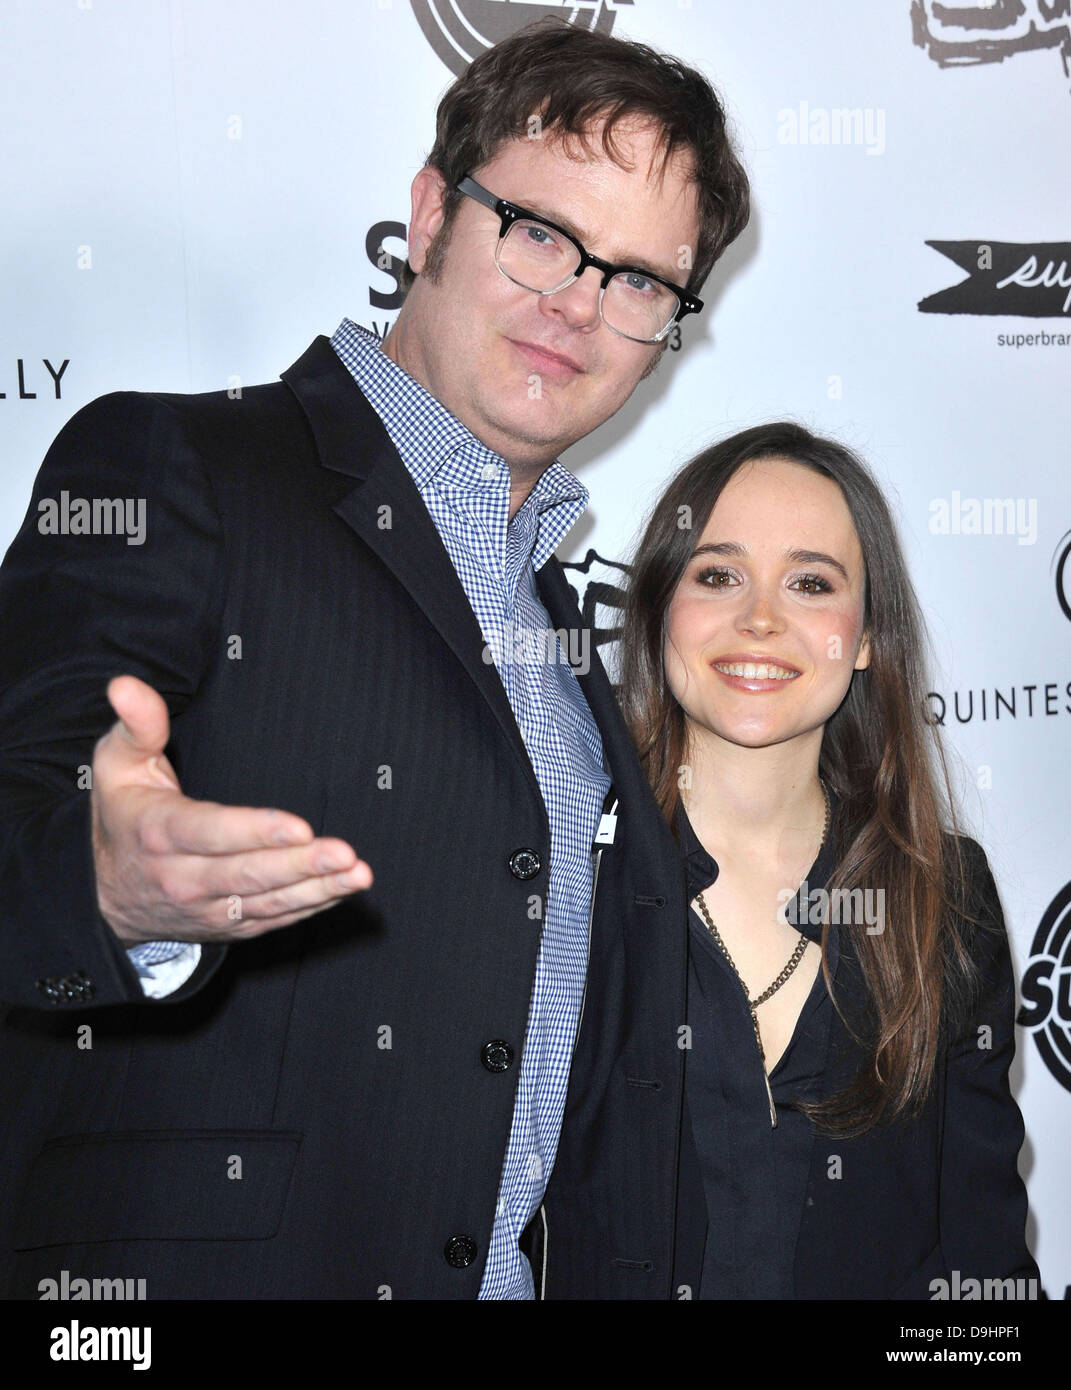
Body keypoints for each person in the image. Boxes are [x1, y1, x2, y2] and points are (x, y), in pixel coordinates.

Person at [0, 20, 749, 1299]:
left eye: (637, 282)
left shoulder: (566, 634)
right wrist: (111, 886)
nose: (578, 304)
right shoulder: (180, 468)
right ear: (431, 214)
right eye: (543, 233)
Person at [614, 422, 1038, 1298]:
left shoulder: (944, 897)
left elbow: (979, 1264)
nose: (760, 618)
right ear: (658, 611)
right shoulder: (560, 883)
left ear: (870, 635)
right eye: (718, 574)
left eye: (810, 583)